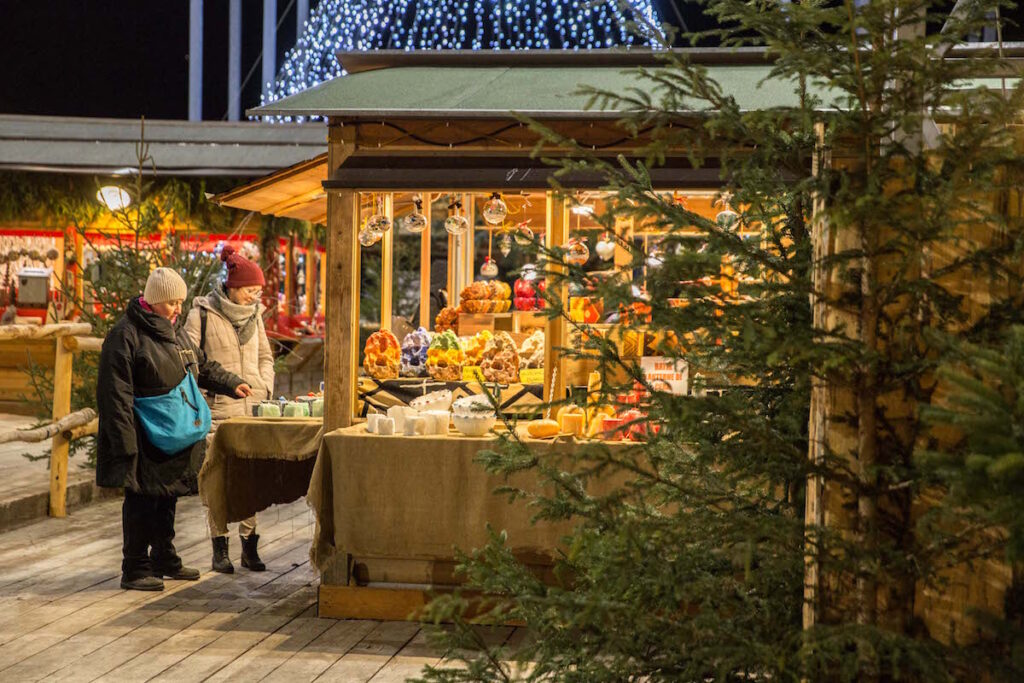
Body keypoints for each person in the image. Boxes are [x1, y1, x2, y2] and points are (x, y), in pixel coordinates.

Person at [97, 268, 251, 592]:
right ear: (152, 301)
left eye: (180, 301)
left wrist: (231, 383)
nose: (178, 308)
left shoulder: (176, 331)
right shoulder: (125, 335)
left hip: (175, 432)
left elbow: (201, 365)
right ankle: (135, 566)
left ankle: (163, 556)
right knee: (140, 501)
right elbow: (115, 393)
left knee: (167, 497)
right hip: (142, 434)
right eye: (171, 302)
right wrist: (124, 442)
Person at [184, 245, 274, 574]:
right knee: (218, 481)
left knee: (249, 480)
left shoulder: (255, 317)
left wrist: (265, 385)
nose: (255, 296)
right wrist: (209, 391)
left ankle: (249, 547)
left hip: (253, 410)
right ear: (233, 288)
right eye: (251, 290)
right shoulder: (202, 314)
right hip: (217, 410)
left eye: (258, 291)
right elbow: (191, 360)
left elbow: (265, 356)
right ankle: (219, 548)